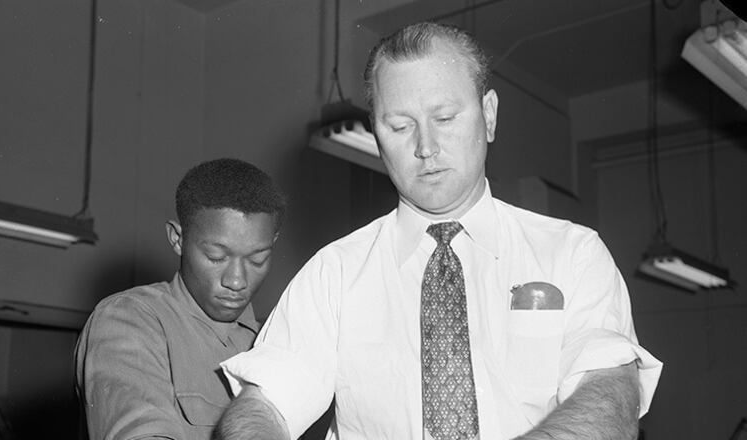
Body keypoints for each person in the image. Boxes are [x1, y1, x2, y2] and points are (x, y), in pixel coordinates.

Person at [216, 22, 662, 440]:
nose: (425, 147)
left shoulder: (571, 253)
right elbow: (264, 406)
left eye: (444, 118)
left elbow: (610, 394)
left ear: (488, 115)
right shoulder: (334, 274)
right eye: (400, 126)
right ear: (375, 133)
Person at [75, 158, 286, 440]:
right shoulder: (127, 319)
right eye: (216, 257)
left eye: (257, 260)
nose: (236, 281)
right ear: (177, 239)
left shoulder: (273, 345)